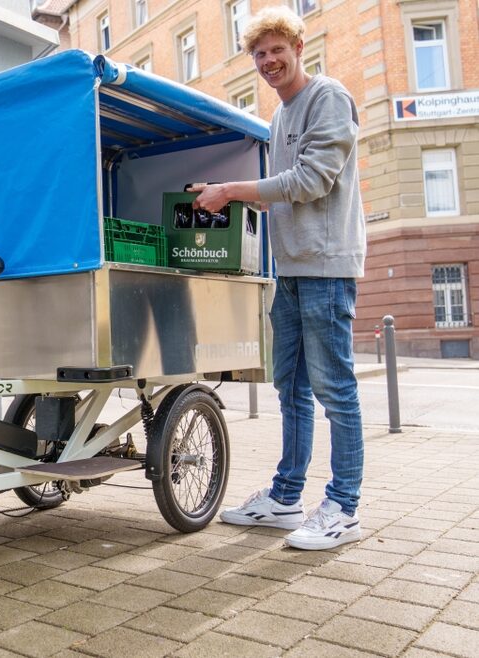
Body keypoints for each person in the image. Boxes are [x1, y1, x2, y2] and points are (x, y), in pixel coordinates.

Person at [190, 6, 366, 550]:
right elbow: (283, 194)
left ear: (298, 48)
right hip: (287, 270)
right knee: (290, 388)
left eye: (276, 50)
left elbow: (312, 181)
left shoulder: (327, 97)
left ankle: (343, 506)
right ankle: (287, 497)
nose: (268, 61)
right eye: (258, 54)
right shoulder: (278, 119)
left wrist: (233, 190)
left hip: (326, 268)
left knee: (335, 389)